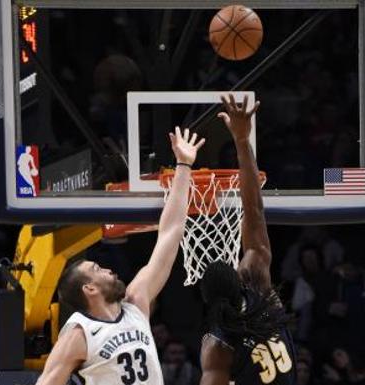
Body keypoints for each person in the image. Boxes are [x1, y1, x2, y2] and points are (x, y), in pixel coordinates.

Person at [34, 126, 205, 385]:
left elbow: (170, 234)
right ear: (89, 288)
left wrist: (183, 165)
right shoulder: (80, 333)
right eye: (97, 269)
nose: (108, 270)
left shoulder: (136, 302)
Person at [199, 94, 295, 385]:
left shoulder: (217, 347)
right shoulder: (262, 291)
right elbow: (253, 209)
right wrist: (242, 141)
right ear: (240, 278)